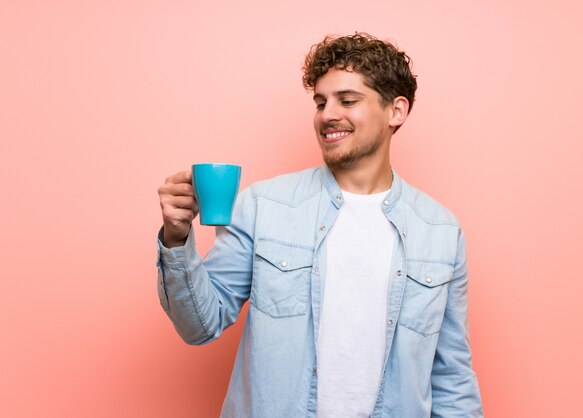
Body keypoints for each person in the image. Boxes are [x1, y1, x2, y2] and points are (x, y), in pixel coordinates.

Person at [156, 33, 483, 418]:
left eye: (348, 100)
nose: (328, 114)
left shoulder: (441, 231)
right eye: (321, 102)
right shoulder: (263, 206)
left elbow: (452, 377)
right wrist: (176, 238)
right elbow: (200, 325)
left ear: (396, 111)